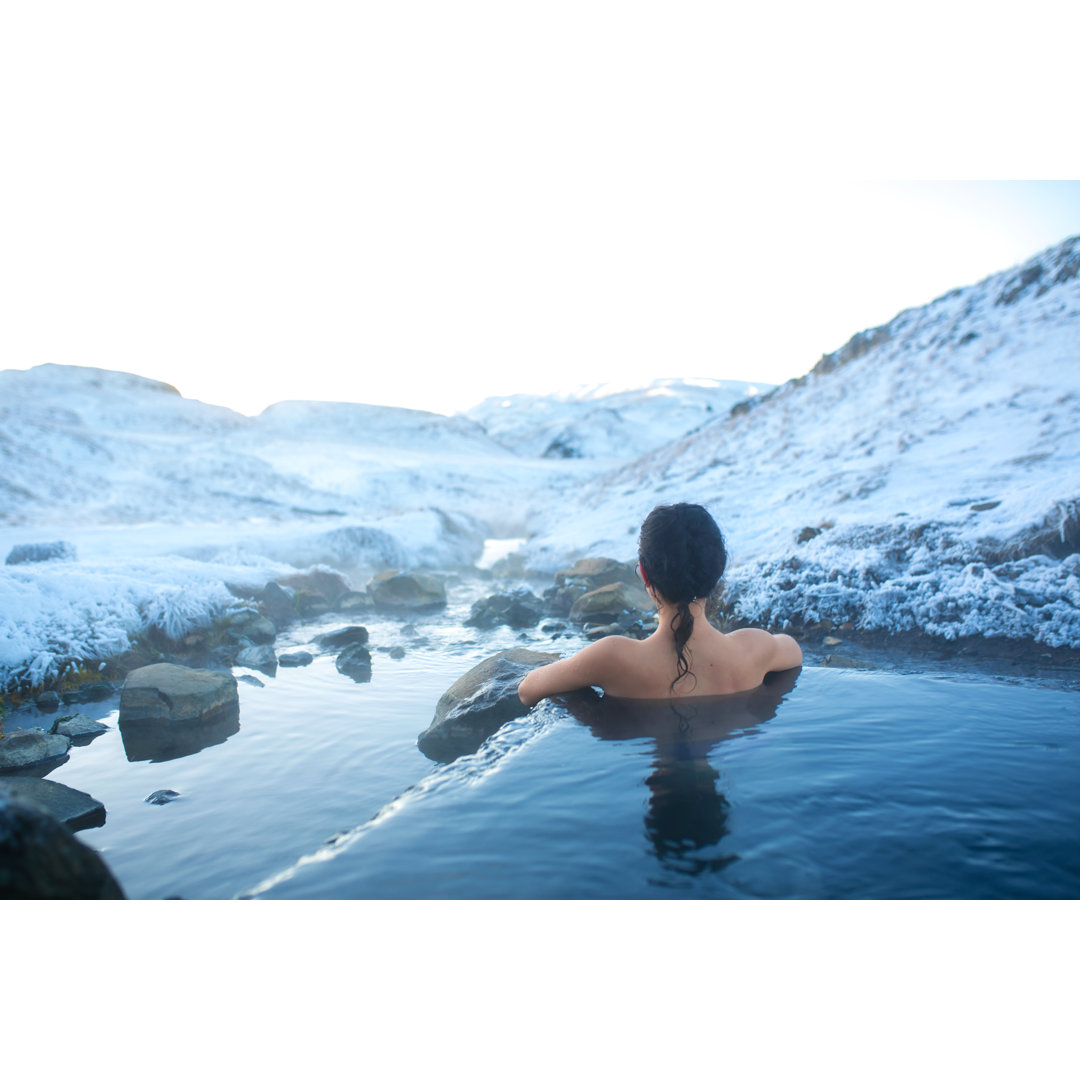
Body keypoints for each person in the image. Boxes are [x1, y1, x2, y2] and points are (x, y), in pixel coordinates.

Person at [517, 503, 802, 706]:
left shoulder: (612, 658)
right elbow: (795, 652)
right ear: (718, 570)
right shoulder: (755, 648)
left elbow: (527, 689)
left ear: (643, 573)